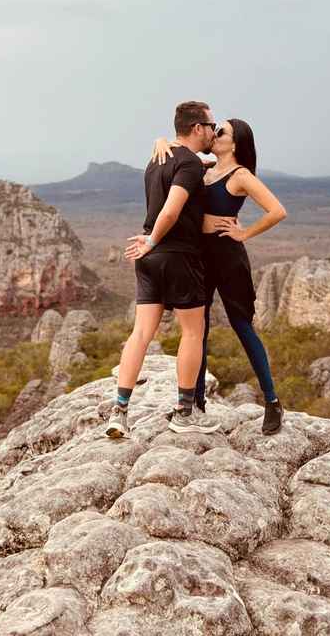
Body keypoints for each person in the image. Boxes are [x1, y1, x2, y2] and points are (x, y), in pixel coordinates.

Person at [152, 118, 287, 434]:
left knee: (242, 326)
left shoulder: (241, 175)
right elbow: (177, 147)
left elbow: (277, 210)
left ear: (236, 142)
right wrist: (160, 141)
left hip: (227, 255)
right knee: (199, 330)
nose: (215, 134)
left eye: (221, 131)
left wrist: (245, 233)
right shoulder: (206, 166)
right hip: (200, 255)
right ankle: (195, 402)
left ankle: (272, 402)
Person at [105, 100, 221, 439]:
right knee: (192, 332)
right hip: (177, 255)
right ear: (197, 128)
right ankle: (184, 412)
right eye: (210, 125)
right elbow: (170, 211)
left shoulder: (158, 159)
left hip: (148, 260)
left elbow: (196, 158)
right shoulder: (188, 166)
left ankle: (119, 411)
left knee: (140, 334)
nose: (213, 130)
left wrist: (148, 244)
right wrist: (154, 240)